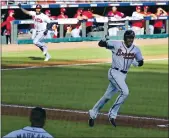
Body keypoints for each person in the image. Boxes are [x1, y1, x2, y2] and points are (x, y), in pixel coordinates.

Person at [88, 30, 144, 127]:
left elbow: (141, 61)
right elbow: (101, 44)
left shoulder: (136, 49)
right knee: (125, 92)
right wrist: (103, 40)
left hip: (123, 76)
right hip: (114, 72)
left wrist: (136, 63)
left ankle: (93, 112)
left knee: (107, 96)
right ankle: (112, 114)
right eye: (128, 37)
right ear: (125, 38)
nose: (130, 39)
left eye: (132, 38)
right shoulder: (116, 44)